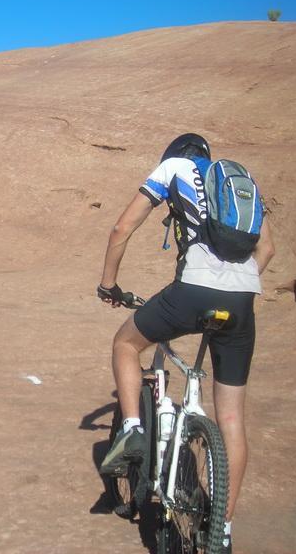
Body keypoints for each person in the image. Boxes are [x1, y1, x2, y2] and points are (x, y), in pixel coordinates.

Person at [96, 133, 275, 553]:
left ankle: (135, 433)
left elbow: (122, 226)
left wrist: (109, 284)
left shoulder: (173, 168)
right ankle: (222, 532)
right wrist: (238, 284)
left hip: (191, 291)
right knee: (231, 419)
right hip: (243, 300)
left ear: (174, 155)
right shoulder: (238, 180)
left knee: (125, 343)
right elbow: (267, 248)